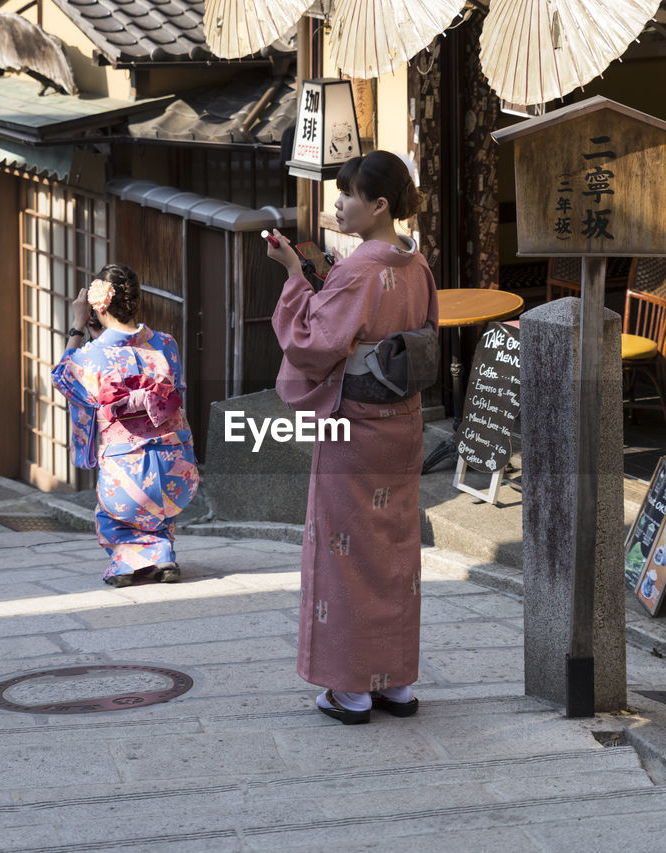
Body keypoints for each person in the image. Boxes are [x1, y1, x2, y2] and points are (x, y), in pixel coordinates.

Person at [267, 150, 438, 725]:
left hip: (358, 429)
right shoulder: (417, 264)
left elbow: (313, 343)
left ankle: (351, 689)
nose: (337, 204)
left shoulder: (359, 270)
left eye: (347, 195)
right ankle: (396, 684)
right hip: (404, 422)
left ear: (379, 204)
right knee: (393, 552)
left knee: (345, 553)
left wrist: (295, 278)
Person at [52, 263, 198, 587]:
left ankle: (125, 563)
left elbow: (61, 377)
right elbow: (179, 396)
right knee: (157, 504)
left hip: (125, 473)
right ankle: (162, 555)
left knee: (113, 509)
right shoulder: (165, 344)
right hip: (174, 469)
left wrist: (77, 326)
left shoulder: (90, 356)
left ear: (98, 308)